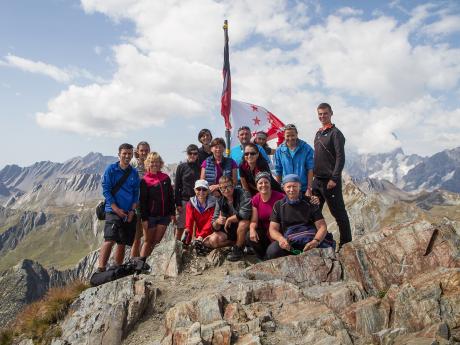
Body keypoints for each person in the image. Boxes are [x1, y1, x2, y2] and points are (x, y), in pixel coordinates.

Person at [267, 174, 334, 260]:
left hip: (311, 240)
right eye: (288, 187)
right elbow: (273, 229)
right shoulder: (278, 205)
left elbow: (322, 226)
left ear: (300, 187)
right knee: (272, 251)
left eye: (294, 186)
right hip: (289, 242)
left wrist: (316, 241)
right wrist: (281, 239)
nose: (291, 190)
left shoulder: (310, 202)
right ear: (283, 188)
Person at [312, 102, 352, 248]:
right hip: (317, 181)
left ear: (331, 113)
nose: (322, 116)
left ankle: (346, 244)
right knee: (313, 211)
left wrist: (334, 178)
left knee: (339, 213)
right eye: (320, 114)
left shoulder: (336, 133)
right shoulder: (318, 133)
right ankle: (315, 241)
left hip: (330, 181)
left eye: (325, 113)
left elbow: (340, 158)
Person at [97, 143, 140, 272]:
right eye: (124, 153)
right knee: (109, 239)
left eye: (129, 153)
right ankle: (101, 269)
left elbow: (136, 193)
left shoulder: (133, 172)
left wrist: (132, 210)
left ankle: (117, 267)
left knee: (122, 242)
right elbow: (106, 190)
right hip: (112, 210)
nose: (127, 156)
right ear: (119, 154)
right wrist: (116, 209)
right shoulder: (111, 169)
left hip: (128, 212)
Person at [204, 176, 252, 261]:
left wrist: (229, 219)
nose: (225, 190)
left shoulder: (243, 194)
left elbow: (245, 214)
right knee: (211, 241)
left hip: (245, 228)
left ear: (233, 185)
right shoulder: (220, 200)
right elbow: (214, 225)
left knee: (243, 223)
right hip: (230, 229)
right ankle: (238, 243)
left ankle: (238, 250)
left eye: (228, 186)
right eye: (222, 188)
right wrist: (218, 222)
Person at [139, 152, 175, 260]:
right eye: (152, 162)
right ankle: (141, 265)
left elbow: (170, 197)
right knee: (147, 241)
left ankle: (150, 263)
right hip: (151, 217)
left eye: (157, 162)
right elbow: (143, 202)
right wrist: (144, 219)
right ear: (147, 164)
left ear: (160, 163)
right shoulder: (144, 180)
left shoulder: (165, 178)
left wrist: (172, 213)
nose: (155, 164)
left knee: (156, 242)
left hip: (164, 216)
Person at [248, 172, 285, 260]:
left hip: (279, 232)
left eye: (266, 182)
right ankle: (262, 258)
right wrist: (252, 229)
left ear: (270, 183)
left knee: (272, 252)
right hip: (266, 233)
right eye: (260, 183)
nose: (263, 185)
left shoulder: (281, 197)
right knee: (249, 235)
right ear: (256, 185)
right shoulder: (256, 199)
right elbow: (254, 221)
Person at [274, 124, 314, 196]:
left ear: (297, 134)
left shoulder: (307, 148)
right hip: (287, 189)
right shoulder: (279, 150)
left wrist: (309, 188)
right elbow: (278, 171)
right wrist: (278, 189)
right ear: (284, 135)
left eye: (293, 135)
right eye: (288, 136)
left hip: (303, 189)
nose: (290, 138)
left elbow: (310, 169)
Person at [174, 144, 201, 241]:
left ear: (198, 155)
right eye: (190, 153)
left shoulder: (200, 167)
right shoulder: (181, 167)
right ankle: (176, 247)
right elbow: (177, 186)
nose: (192, 155)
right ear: (187, 154)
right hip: (184, 200)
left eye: (195, 153)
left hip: (197, 201)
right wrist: (177, 203)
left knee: (194, 227)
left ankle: (189, 248)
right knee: (180, 227)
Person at [182, 179, 217, 248]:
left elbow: (210, 221)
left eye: (204, 189)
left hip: (212, 233)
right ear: (195, 190)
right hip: (199, 236)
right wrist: (187, 241)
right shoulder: (190, 204)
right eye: (198, 189)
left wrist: (201, 236)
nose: (201, 192)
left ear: (208, 191)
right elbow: (189, 223)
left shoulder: (214, 203)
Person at [130, 141, 150, 258]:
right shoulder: (133, 163)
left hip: (149, 202)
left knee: (147, 236)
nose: (144, 153)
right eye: (142, 150)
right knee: (137, 236)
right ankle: (133, 262)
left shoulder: (150, 163)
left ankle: (143, 260)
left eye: (146, 150)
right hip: (137, 203)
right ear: (137, 151)